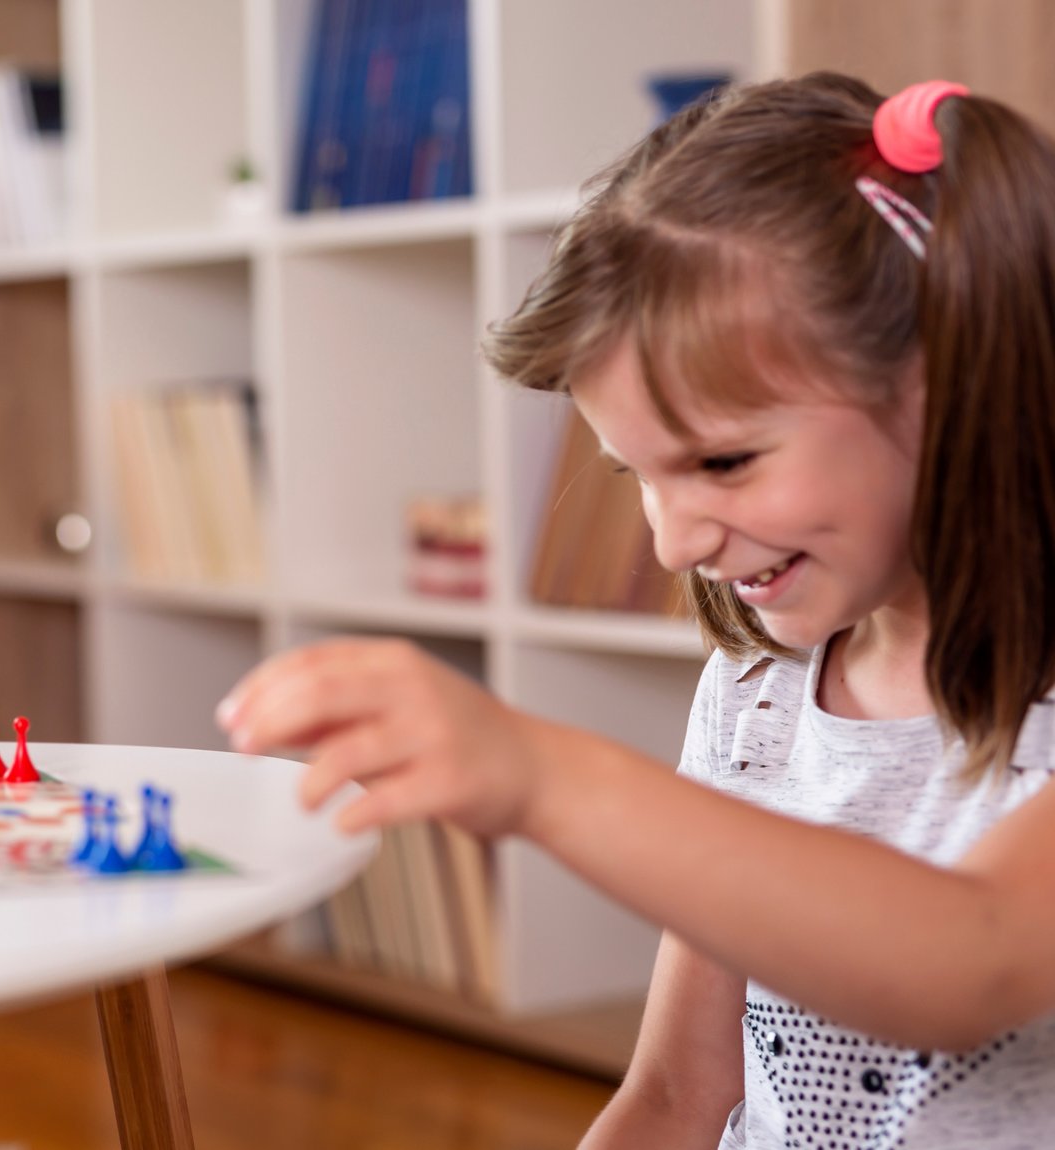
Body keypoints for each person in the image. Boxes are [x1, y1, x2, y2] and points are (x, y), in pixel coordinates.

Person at [218, 73, 1055, 1149]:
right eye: (636, 476)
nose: (674, 543)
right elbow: (672, 1096)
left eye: (722, 458)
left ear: (951, 378)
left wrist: (537, 772)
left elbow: (966, 960)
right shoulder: (754, 697)